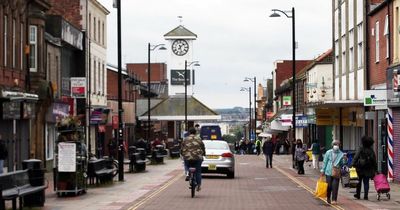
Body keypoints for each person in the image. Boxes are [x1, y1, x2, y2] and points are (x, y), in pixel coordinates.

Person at [351, 136, 377, 200]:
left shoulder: (361, 148)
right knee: (366, 182)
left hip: (360, 168)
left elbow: (356, 157)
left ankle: (358, 195)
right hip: (368, 169)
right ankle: (366, 195)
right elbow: (374, 160)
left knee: (358, 182)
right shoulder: (371, 150)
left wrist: (352, 164)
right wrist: (375, 169)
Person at [320, 140, 346, 205]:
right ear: (332, 145)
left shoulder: (341, 154)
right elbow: (325, 161)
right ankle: (328, 197)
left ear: (339, 145)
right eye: (335, 144)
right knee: (329, 186)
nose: (336, 146)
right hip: (328, 171)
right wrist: (323, 170)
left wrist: (345, 159)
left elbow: (342, 164)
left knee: (335, 186)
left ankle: (334, 199)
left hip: (336, 172)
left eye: (337, 144)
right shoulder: (328, 152)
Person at [180, 127, 206, 192]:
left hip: (187, 156)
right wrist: (204, 154)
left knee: (186, 164)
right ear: (195, 132)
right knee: (198, 172)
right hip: (197, 157)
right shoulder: (199, 139)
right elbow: (203, 147)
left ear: (189, 132)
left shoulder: (185, 139)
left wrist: (182, 154)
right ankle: (199, 185)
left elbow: (182, 147)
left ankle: (188, 173)